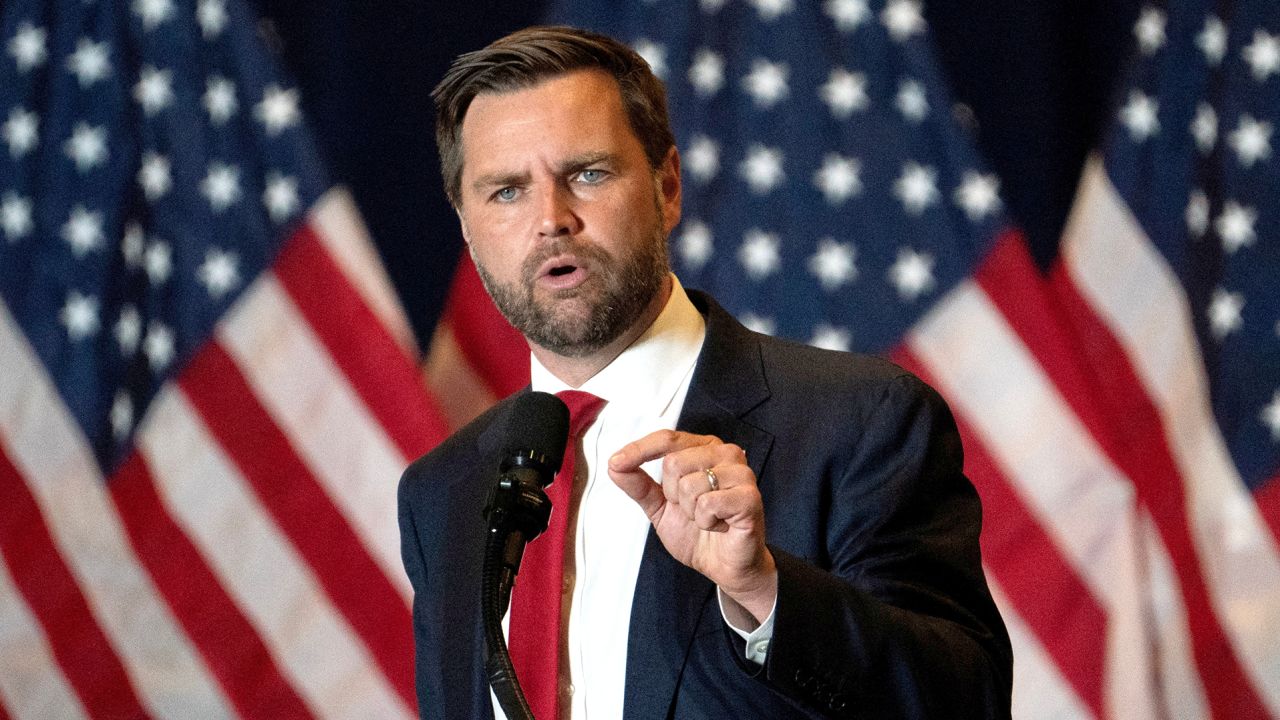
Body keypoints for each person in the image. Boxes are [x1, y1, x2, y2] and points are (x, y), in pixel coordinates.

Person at [399, 25, 1013, 720]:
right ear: (467, 227)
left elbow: (969, 702)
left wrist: (764, 593)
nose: (551, 219)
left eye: (588, 174)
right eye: (506, 191)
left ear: (667, 188)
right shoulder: (441, 493)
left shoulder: (858, 422)